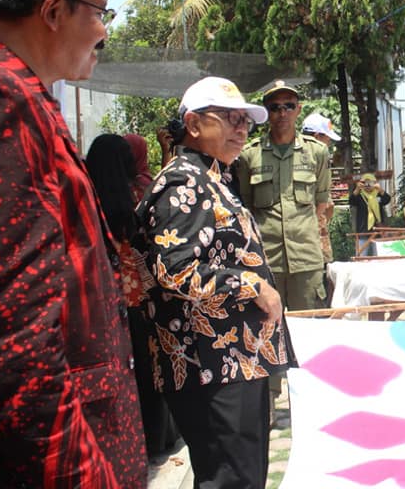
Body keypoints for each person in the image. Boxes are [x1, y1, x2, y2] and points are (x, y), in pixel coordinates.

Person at [0, 0, 146, 486]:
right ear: (54, 10)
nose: (103, 32)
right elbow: (14, 343)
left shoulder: (25, 94)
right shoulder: (1, 96)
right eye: (101, 11)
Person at [138, 76, 293, 488]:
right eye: (228, 118)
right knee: (231, 479)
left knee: (239, 476)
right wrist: (252, 285)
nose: (241, 128)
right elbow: (174, 269)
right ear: (192, 124)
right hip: (208, 364)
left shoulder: (212, 178)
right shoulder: (183, 182)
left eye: (244, 120)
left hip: (232, 359)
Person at [86, 134, 179, 458]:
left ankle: (128, 444)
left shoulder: (86, 199)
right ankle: (159, 439)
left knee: (124, 376)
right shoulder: (141, 192)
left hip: (105, 301)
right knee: (151, 370)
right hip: (143, 297)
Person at [237, 81, 332, 312]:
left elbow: (321, 201)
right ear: (266, 113)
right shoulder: (249, 155)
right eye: (275, 107)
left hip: (306, 259)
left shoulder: (316, 152)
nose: (282, 113)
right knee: (266, 331)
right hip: (267, 260)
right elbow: (245, 208)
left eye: (288, 106)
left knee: (309, 327)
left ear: (298, 109)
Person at [302, 111, 342, 264]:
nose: (329, 144)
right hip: (316, 232)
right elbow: (328, 204)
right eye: (327, 138)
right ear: (317, 136)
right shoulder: (319, 156)